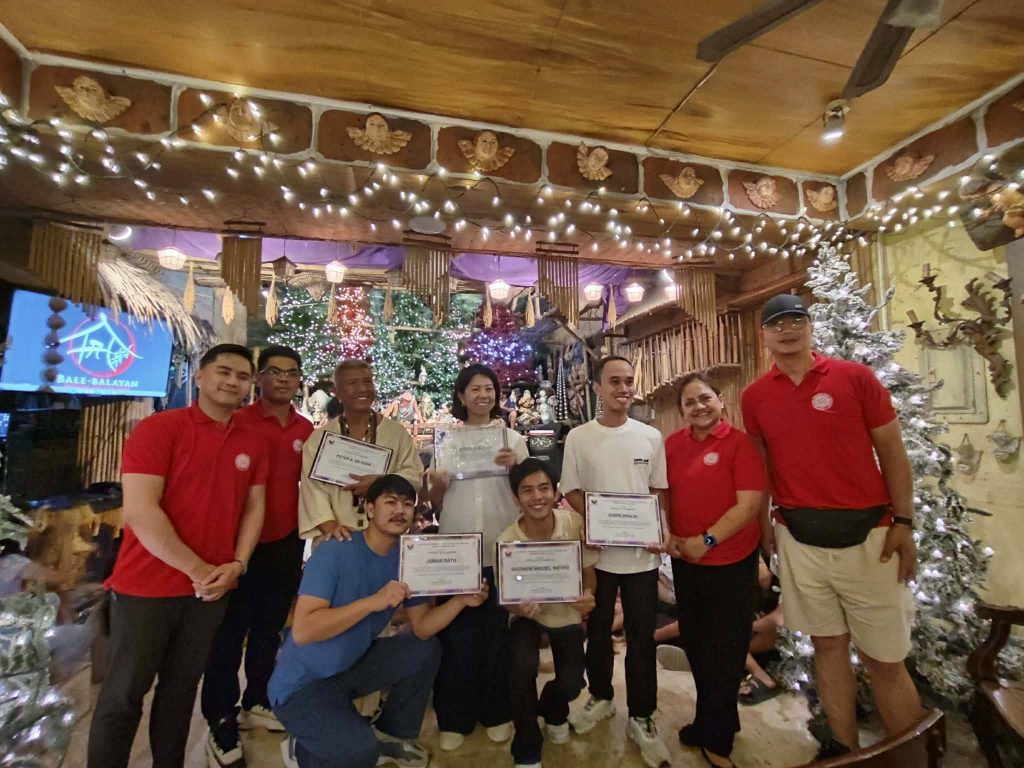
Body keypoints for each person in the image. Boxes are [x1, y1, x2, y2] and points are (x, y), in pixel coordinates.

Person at [740, 293, 925, 759]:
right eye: (777, 324)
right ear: (764, 336)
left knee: (886, 660)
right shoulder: (754, 397)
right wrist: (764, 527)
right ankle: (844, 753)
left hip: (871, 537)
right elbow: (762, 468)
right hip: (799, 537)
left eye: (795, 320)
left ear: (810, 326)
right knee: (827, 647)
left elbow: (892, 451)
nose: (787, 329)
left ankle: (910, 760)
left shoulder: (854, 378)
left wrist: (904, 521)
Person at [87, 344, 267, 768]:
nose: (233, 381)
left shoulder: (252, 441)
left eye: (242, 376)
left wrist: (237, 565)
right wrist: (198, 569)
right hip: (146, 586)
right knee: (125, 693)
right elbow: (140, 510)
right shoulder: (160, 429)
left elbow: (254, 507)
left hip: (211, 590)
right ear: (200, 376)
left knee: (181, 691)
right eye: (224, 371)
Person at [268, 474, 488, 768]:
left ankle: (393, 735)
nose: (400, 510)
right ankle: (305, 746)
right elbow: (304, 631)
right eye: (390, 502)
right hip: (303, 684)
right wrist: (373, 602)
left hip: (352, 666)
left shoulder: (409, 558)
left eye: (407, 504)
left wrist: (461, 601)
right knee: (360, 752)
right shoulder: (336, 549)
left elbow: (422, 628)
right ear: (370, 509)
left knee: (424, 649)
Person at [202, 345, 314, 767]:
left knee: (269, 628)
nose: (284, 379)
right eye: (274, 371)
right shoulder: (239, 423)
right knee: (229, 633)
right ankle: (220, 716)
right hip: (238, 547)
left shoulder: (306, 428)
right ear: (259, 378)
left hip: (287, 541)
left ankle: (258, 698)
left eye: (292, 372)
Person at [560, 355, 672, 768]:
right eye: (614, 382)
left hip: (641, 558)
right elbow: (571, 489)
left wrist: (659, 530)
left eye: (628, 381)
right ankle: (601, 696)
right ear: (597, 388)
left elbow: (658, 490)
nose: (623, 389)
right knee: (598, 632)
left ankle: (642, 715)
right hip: (598, 557)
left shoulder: (650, 436)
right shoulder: (579, 438)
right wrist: (593, 522)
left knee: (641, 638)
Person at [664, 373, 766, 768]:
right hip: (687, 563)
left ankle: (717, 739)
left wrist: (706, 540)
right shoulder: (672, 445)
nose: (699, 407)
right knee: (697, 645)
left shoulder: (740, 444)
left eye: (705, 398)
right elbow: (664, 494)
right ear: (681, 411)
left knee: (726, 651)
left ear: (721, 401)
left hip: (731, 563)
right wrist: (668, 532)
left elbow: (749, 505)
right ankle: (712, 719)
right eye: (689, 402)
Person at [426, 364, 529, 751]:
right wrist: (437, 485)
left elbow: (531, 494)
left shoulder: (513, 440)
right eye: (475, 389)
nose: (483, 395)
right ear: (461, 395)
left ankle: (497, 712)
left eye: (489, 388)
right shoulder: (446, 442)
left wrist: (515, 468)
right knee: (458, 636)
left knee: (498, 636)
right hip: (458, 547)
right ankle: (454, 717)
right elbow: (434, 503)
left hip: (503, 545)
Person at [499, 458, 597, 768]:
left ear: (556, 493)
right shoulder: (506, 540)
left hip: (566, 613)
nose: (537, 497)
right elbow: (505, 599)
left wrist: (588, 595)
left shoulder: (574, 524)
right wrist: (517, 606)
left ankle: (554, 708)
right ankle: (527, 744)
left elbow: (589, 574)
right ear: (516, 497)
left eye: (544, 488)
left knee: (572, 682)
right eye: (527, 490)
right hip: (526, 616)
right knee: (521, 668)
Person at [298, 359, 422, 542]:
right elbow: (313, 491)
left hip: (387, 539)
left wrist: (381, 483)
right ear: (336, 392)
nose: (362, 388)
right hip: (336, 538)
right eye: (352, 383)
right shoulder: (320, 439)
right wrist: (331, 527)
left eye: (367, 381)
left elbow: (414, 476)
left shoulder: (397, 433)